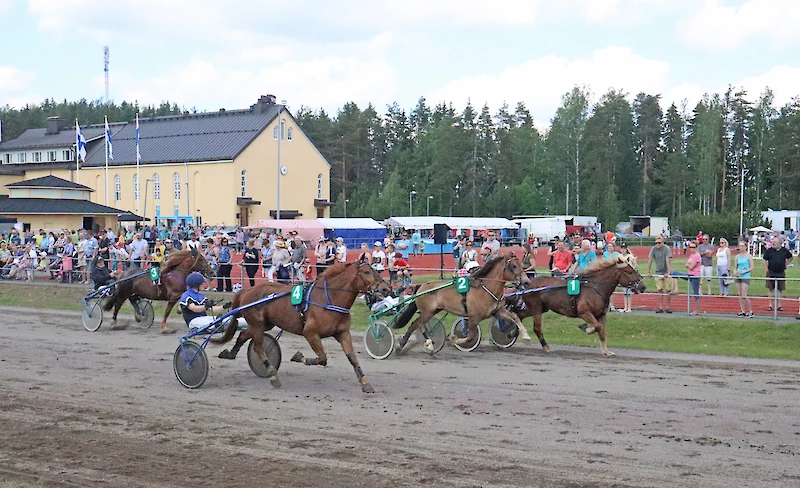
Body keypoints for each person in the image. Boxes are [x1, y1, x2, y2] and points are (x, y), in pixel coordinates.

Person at [763, 236, 792, 311]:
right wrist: (766, 269)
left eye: (775, 242)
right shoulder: (769, 251)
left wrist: (785, 264)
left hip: (780, 272)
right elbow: (764, 260)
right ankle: (770, 305)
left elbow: (790, 257)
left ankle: (779, 305)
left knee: (780, 289)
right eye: (773, 242)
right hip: (771, 271)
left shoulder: (784, 251)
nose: (773, 243)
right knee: (770, 289)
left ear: (780, 243)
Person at [647, 236, 673, 313]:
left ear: (663, 242)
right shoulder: (653, 249)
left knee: (668, 290)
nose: (657, 244)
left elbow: (668, 260)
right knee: (659, 290)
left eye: (659, 243)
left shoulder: (667, 249)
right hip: (658, 272)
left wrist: (668, 272)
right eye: (656, 243)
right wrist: (648, 271)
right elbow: (650, 260)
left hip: (666, 271)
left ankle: (668, 307)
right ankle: (660, 307)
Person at [734, 240, 754, 317]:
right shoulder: (737, 256)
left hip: (745, 276)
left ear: (746, 246)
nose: (741, 247)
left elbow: (752, 267)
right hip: (739, 276)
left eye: (742, 246)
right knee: (739, 294)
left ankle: (750, 311)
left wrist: (744, 271)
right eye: (740, 246)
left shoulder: (749, 256)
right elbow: (735, 267)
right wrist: (735, 272)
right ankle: (742, 310)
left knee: (744, 294)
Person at [618, 243, 637, 313]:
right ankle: (625, 307)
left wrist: (631, 271)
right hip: (623, 276)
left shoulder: (630, 256)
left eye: (624, 249)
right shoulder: (619, 256)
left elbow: (635, 264)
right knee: (625, 292)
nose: (623, 250)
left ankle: (629, 307)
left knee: (629, 292)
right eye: (622, 248)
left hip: (629, 276)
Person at [686, 241, 702, 315]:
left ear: (696, 248)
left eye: (693, 247)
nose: (691, 249)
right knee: (675, 274)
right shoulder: (692, 255)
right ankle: (675, 289)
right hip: (690, 274)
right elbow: (687, 264)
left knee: (696, 293)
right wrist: (688, 265)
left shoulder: (697, 256)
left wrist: (688, 265)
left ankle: (697, 310)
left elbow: (691, 266)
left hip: (695, 276)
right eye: (690, 247)